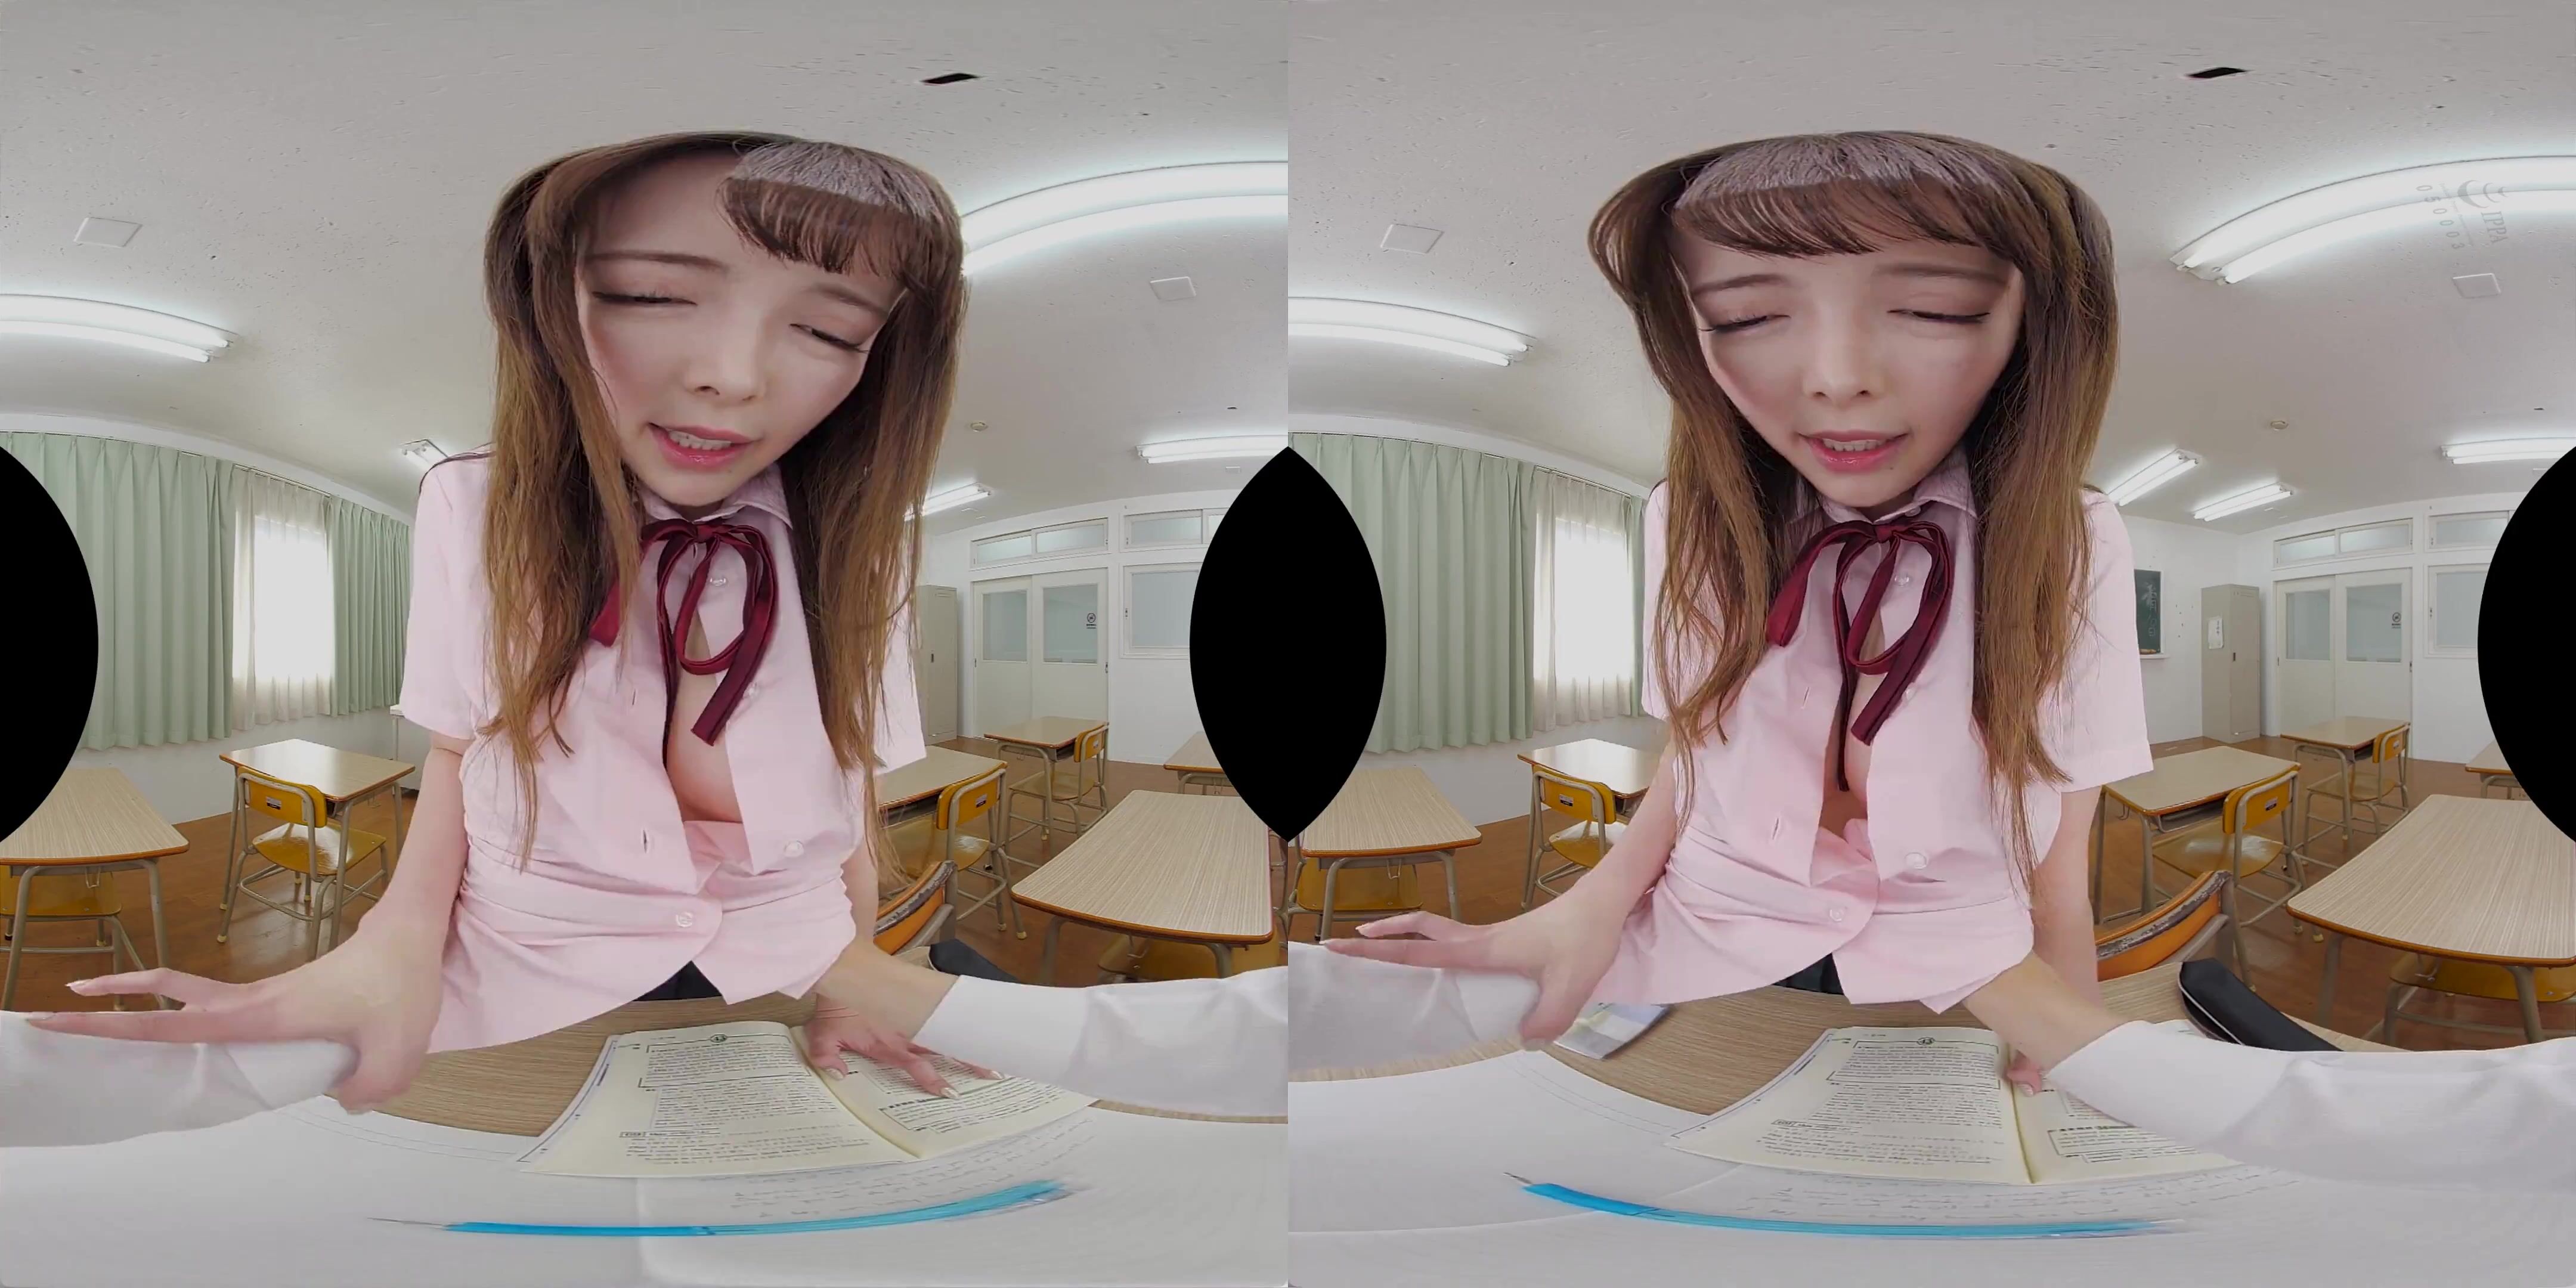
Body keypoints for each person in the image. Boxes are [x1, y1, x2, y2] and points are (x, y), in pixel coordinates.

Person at [24, 131, 985, 1107]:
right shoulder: (473, 506)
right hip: (525, 973)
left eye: (828, 331)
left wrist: (855, 981)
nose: (735, 376)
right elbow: (460, 748)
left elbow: (851, 789)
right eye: (654, 295)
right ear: (551, 305)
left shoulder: (864, 547)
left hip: (791, 976)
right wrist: (395, 940)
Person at [1330, 131, 2151, 1092]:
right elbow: (1698, 750)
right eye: (1747, 317)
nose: (1837, 376)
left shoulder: (2073, 536)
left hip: (1969, 971)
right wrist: (1593, 904)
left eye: (1934, 308)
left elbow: (2059, 848)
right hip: (1713, 937)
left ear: (2032, 326)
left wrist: (2068, 1031)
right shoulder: (1687, 518)